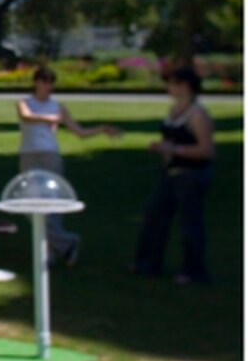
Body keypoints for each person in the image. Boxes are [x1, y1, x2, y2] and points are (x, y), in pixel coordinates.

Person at [17, 66, 120, 265]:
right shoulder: (24, 103)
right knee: (28, 205)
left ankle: (50, 252)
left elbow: (79, 132)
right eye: (45, 81)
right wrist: (48, 119)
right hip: (28, 156)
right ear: (36, 82)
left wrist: (102, 129)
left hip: (50, 157)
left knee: (51, 204)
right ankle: (66, 242)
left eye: (51, 82)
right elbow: (25, 116)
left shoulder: (58, 106)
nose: (48, 86)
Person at [131, 66, 215, 285]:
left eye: (172, 83)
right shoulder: (174, 110)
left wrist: (175, 151)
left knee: (190, 223)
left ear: (184, 86)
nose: (168, 87)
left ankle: (193, 270)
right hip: (170, 173)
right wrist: (162, 148)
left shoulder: (197, 114)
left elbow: (206, 149)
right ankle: (147, 263)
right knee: (154, 216)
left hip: (191, 175)